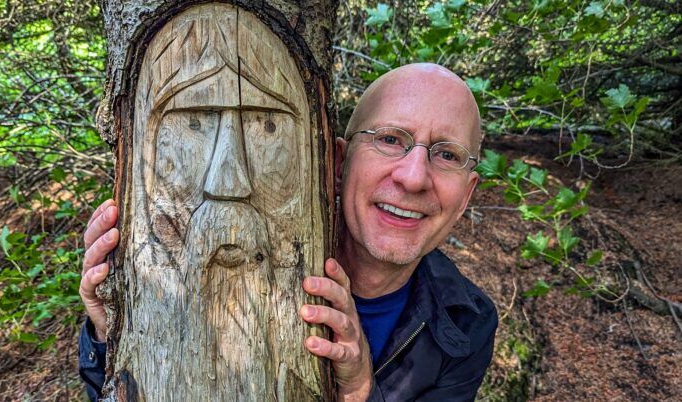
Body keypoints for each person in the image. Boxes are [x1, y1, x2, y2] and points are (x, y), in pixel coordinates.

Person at [79, 63, 498, 401]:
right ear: (338, 162)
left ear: (466, 194)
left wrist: (358, 392)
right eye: (390, 139)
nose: (413, 177)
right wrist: (113, 334)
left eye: (447, 154)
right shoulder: (239, 264)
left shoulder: (468, 324)